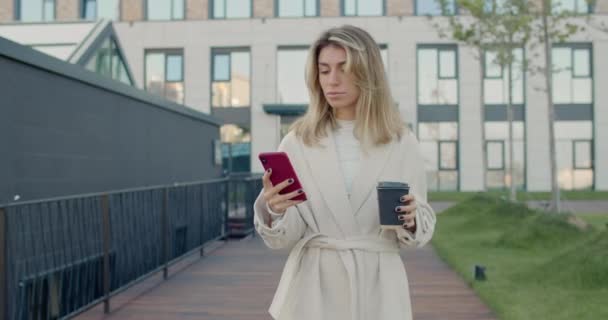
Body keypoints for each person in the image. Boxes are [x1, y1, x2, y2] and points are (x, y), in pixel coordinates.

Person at [253, 25, 436, 320]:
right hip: (314, 289)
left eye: (344, 69)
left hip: (379, 288)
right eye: (324, 71)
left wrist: (412, 219)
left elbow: (414, 237)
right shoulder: (297, 142)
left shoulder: (401, 142)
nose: (333, 81)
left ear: (368, 72)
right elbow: (284, 239)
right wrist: (274, 211)